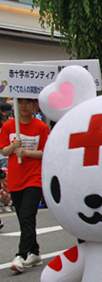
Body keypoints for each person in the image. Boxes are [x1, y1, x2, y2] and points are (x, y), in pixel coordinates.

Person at [0, 98, 50, 272]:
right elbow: (4, 150)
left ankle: (21, 255)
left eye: (27, 102)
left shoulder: (41, 127)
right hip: (15, 179)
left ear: (33, 105)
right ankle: (35, 252)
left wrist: (27, 152)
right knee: (23, 219)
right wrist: (13, 146)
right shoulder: (8, 127)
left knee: (28, 217)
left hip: (34, 178)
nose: (23, 105)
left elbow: (46, 151)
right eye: (20, 102)